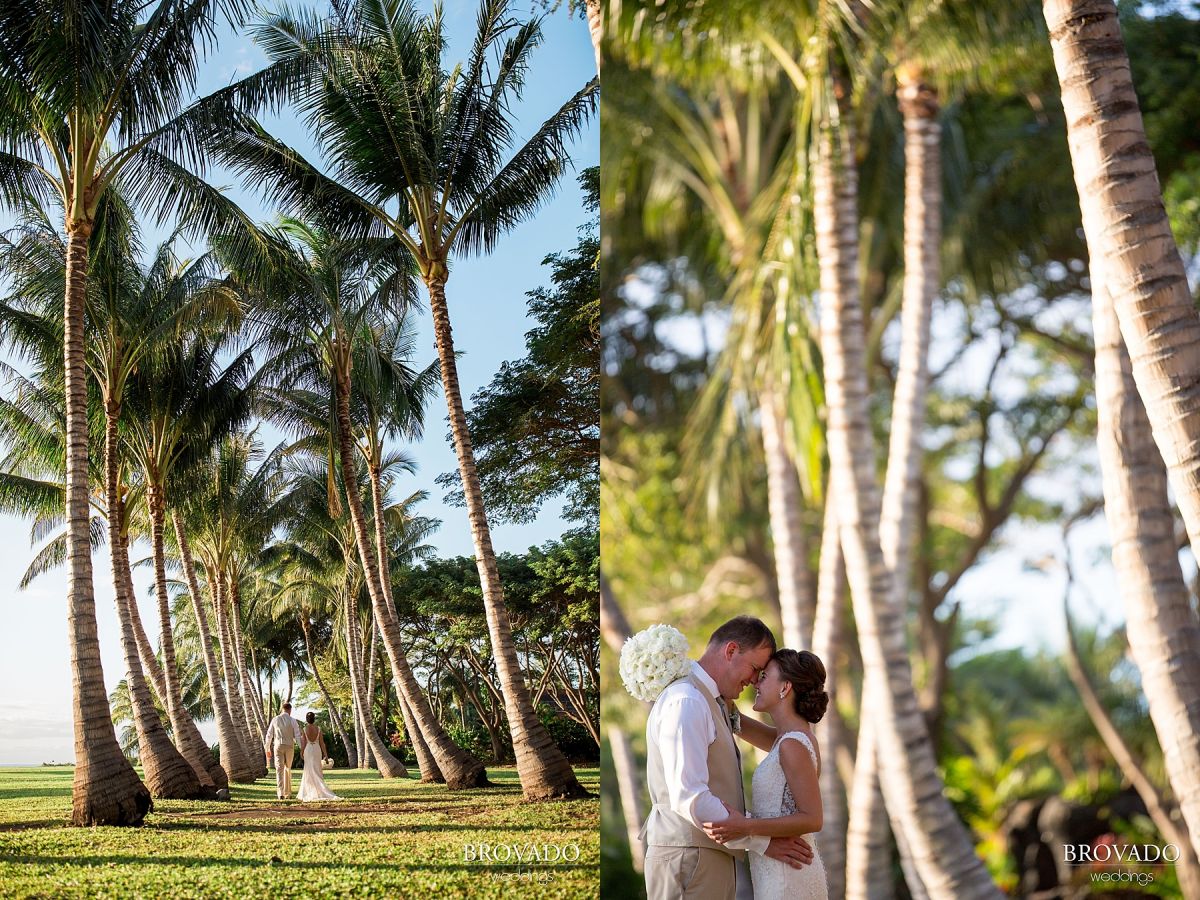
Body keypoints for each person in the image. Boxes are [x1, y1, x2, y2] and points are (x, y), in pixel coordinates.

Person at [641, 616, 814, 900]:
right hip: (688, 856)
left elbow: (787, 742)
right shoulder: (687, 700)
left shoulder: (712, 702)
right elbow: (691, 796)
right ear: (731, 651)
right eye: (756, 669)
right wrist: (761, 841)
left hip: (707, 855)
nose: (754, 680)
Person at [703, 649, 830, 900]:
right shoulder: (786, 739)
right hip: (778, 870)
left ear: (785, 687)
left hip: (789, 875)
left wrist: (746, 826)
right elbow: (735, 719)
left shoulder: (792, 745)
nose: (755, 682)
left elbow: (813, 818)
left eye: (764, 676)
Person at [297, 712, 341, 802]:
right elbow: (322, 743)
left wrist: (301, 752)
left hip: (308, 749)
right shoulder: (318, 729)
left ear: (306, 719)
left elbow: (304, 743)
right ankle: (319, 791)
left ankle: (309, 792)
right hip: (317, 749)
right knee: (317, 769)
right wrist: (326, 755)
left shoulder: (304, 729)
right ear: (314, 719)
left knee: (309, 770)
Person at [263, 701, 302, 800]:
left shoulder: (275, 719)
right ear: (290, 710)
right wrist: (302, 748)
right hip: (289, 746)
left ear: (282, 709)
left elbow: (269, 735)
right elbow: (297, 735)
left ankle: (280, 793)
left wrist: (267, 748)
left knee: (279, 769)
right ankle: (287, 793)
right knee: (287, 768)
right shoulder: (293, 720)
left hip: (278, 746)